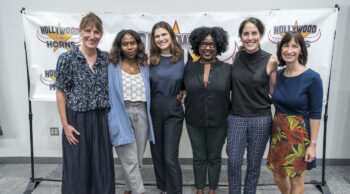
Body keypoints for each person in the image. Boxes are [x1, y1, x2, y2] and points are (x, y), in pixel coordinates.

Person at [54, 12, 115, 194]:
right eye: (88, 31)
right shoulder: (67, 58)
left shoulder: (106, 59)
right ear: (80, 31)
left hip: (101, 119)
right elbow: (60, 92)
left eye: (96, 32)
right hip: (77, 120)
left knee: (101, 165)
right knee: (78, 166)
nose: (92, 36)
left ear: (101, 35)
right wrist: (65, 125)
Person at [267, 31, 323, 194]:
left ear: (301, 51)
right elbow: (272, 95)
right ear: (281, 49)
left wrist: (312, 145)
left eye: (294, 46)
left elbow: (315, 114)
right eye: (286, 46)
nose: (289, 50)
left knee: (296, 180)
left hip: (299, 135)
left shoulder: (312, 78)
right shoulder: (279, 74)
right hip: (278, 134)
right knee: (278, 177)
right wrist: (270, 71)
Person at [227, 17, 278, 194]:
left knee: (254, 165)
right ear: (241, 36)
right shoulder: (236, 57)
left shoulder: (271, 60)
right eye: (246, 33)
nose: (250, 37)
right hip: (236, 118)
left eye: (254, 33)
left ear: (261, 35)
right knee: (233, 162)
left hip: (261, 119)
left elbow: (273, 92)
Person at [183, 26, 231, 194]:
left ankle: (212, 189)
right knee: (199, 157)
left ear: (218, 46)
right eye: (204, 44)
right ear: (197, 45)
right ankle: (199, 188)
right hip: (193, 120)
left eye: (212, 44)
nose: (208, 48)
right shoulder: (188, 68)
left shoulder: (227, 70)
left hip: (219, 121)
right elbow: (179, 89)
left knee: (215, 157)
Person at [108, 29, 155, 194]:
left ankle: (128, 190)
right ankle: (139, 191)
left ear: (138, 44)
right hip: (121, 114)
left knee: (137, 160)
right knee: (130, 161)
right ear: (119, 47)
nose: (129, 47)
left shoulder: (144, 66)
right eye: (125, 44)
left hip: (142, 113)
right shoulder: (112, 66)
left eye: (132, 43)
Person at [149, 21, 190, 194]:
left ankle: (175, 191)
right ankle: (164, 188)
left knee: (170, 156)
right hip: (154, 109)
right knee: (157, 155)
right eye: (157, 36)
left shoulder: (184, 55)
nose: (161, 39)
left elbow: (190, 81)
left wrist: (183, 92)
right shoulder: (149, 58)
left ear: (171, 36)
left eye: (164, 34)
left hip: (173, 109)